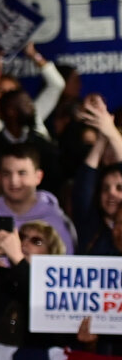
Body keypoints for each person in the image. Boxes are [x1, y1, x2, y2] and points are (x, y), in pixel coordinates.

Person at [0, 220, 69, 346]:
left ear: (51, 253)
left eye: (36, 241)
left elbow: (57, 338)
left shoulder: (56, 288)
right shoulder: (0, 277)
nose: (25, 243)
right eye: (21, 238)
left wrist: (18, 259)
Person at [0, 144, 76, 257]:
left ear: (38, 177)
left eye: (22, 173)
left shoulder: (59, 222)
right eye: (7, 174)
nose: (14, 181)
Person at [72, 94, 122, 255]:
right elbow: (84, 181)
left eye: (119, 188)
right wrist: (101, 138)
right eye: (105, 189)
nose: (111, 193)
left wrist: (111, 131)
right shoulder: (90, 223)